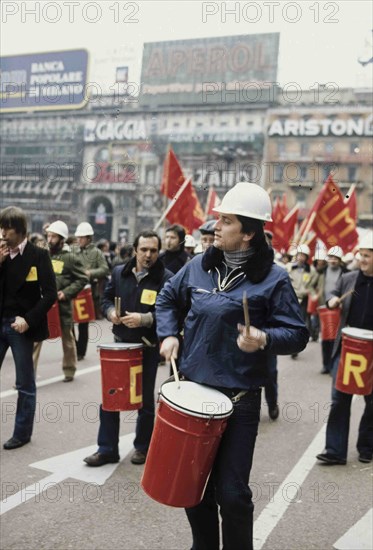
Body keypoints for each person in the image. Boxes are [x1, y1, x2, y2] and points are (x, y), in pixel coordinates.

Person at [156, 182, 309, 550]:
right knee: (192, 488)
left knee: (232, 494)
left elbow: (298, 334)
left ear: (249, 232)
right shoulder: (197, 266)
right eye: (217, 219)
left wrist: (264, 338)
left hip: (239, 400)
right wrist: (169, 334)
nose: (215, 227)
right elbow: (166, 299)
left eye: (225, 221)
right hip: (192, 394)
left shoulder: (275, 279)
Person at [84, 230, 173, 467]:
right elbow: (105, 299)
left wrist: (145, 319)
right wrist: (111, 313)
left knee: (143, 401)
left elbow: (169, 312)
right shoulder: (119, 272)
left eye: (153, 250)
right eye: (143, 250)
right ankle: (106, 449)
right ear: (134, 250)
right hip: (120, 347)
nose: (148, 255)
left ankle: (142, 447)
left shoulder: (165, 278)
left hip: (147, 348)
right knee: (110, 398)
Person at [0, 206, 57, 449]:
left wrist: (28, 319)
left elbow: (50, 294)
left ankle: (22, 433)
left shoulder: (38, 255)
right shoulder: (1, 254)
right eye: (1, 227)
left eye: (7, 228)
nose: (2, 233)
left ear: (21, 230)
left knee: (25, 382)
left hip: (20, 325)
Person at [316, 231, 373, 466]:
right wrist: (332, 300)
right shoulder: (349, 279)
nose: (362, 259)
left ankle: (367, 447)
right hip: (348, 346)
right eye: (361, 255)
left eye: (367, 256)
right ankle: (335, 450)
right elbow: (333, 293)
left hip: (372, 349)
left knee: (372, 401)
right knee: (339, 398)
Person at [33, 221, 88, 382]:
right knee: (35, 339)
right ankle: (28, 375)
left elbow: (82, 278)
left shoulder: (71, 258)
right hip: (42, 304)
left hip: (62, 306)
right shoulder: (42, 254)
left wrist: (66, 292)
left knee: (68, 339)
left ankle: (69, 370)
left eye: (54, 236)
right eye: (48, 236)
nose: (50, 239)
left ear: (62, 239)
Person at [73, 222, 109, 360]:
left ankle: (80, 351)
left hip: (86, 292)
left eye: (81, 237)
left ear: (88, 238)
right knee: (68, 322)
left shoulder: (96, 253)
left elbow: (104, 269)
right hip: (71, 291)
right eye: (78, 237)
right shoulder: (73, 251)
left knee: (83, 324)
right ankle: (73, 347)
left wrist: (90, 273)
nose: (78, 240)